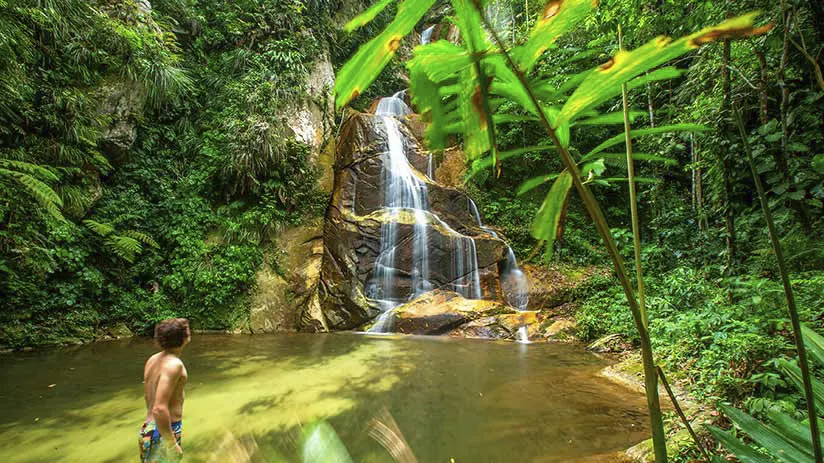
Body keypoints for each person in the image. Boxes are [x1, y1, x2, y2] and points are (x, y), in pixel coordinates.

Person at [139, 318, 190, 462]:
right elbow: (159, 408)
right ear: (184, 337)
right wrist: (172, 444)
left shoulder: (152, 360)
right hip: (162, 431)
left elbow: (147, 397)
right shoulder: (174, 365)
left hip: (149, 428)